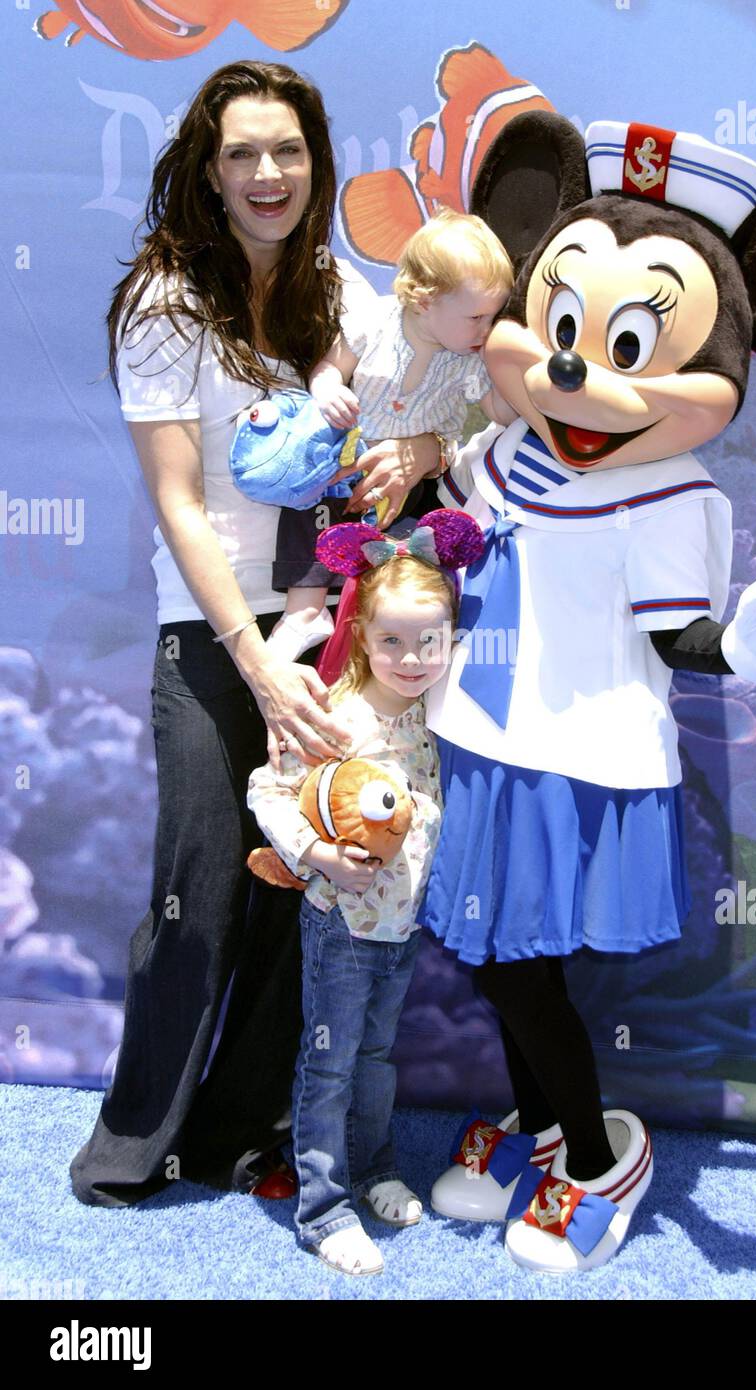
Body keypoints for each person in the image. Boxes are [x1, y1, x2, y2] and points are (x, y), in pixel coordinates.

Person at [69, 60, 441, 1208]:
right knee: (199, 892)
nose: (268, 173)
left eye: (286, 150)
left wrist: (421, 456)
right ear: (208, 168)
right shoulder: (166, 301)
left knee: (307, 888)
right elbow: (180, 498)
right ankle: (135, 1145)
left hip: (326, 636)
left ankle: (241, 1132)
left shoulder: (349, 292)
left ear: (316, 161)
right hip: (214, 636)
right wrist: (251, 665)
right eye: (242, 153)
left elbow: (436, 402)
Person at [246, 508, 484, 1275]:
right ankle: (322, 1207)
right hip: (341, 924)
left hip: (402, 927)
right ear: (361, 638)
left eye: (430, 640)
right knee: (332, 1060)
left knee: (378, 1055)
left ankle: (376, 1166)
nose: (412, 658)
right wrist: (318, 853)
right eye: (391, 641)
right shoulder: (336, 717)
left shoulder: (438, 717)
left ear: (452, 639)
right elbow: (267, 791)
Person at [264, 208, 517, 664]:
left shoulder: (470, 358)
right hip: (348, 462)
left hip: (414, 487)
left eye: (494, 316)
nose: (486, 329)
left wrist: (517, 382)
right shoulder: (373, 321)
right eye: (477, 316)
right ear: (424, 299)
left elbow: (497, 411)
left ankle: (400, 638)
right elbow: (329, 369)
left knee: (407, 557)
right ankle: (304, 611)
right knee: (307, 509)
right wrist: (327, 390)